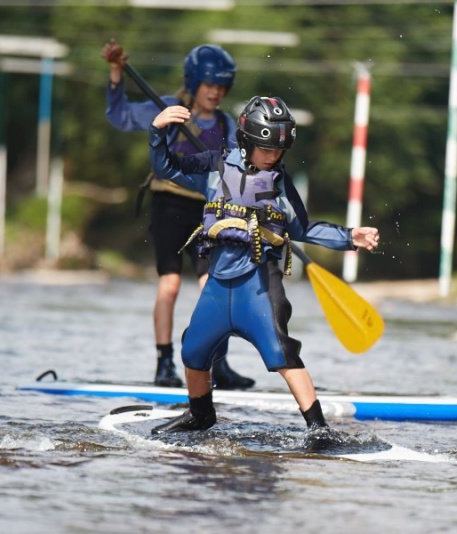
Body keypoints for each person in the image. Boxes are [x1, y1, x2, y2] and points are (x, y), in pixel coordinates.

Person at [147, 96, 380, 436]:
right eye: (266, 149)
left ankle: (319, 429)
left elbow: (303, 228)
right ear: (247, 142)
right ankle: (201, 415)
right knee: (193, 349)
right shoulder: (215, 167)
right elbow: (166, 167)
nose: (273, 156)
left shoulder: (281, 183)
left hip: (257, 284)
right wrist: (157, 131)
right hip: (217, 283)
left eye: (278, 150)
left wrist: (349, 237)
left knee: (282, 353)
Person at [101, 39, 254, 390]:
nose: (215, 93)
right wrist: (115, 72)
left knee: (215, 286)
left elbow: (233, 170)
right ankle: (164, 363)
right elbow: (120, 115)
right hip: (168, 205)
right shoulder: (167, 106)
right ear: (194, 81)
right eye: (209, 85)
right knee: (169, 285)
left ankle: (219, 363)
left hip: (207, 212)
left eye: (221, 86)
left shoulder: (227, 124)